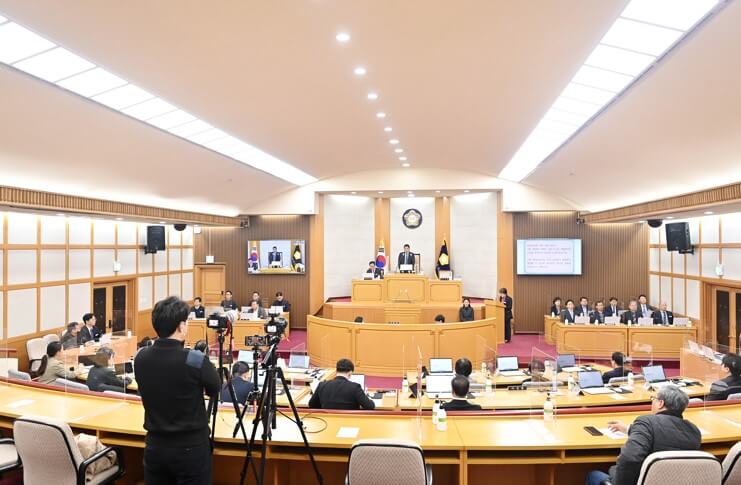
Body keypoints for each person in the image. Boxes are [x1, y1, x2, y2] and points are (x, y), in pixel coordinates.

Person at [135, 296, 220, 484]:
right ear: (181, 326)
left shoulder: (140, 357)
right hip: (190, 448)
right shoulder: (195, 359)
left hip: (155, 445)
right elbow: (214, 388)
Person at [585, 385, 701, 485]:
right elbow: (667, 435)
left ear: (660, 403)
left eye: (654, 399)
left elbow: (629, 459)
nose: (652, 402)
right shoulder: (694, 431)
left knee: (593, 475)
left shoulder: (646, 422)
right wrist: (629, 429)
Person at [308, 358, 375, 410]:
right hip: (350, 421)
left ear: (336, 371)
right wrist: (366, 397)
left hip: (327, 421)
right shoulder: (355, 387)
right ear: (350, 373)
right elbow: (370, 406)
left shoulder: (322, 385)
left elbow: (312, 404)